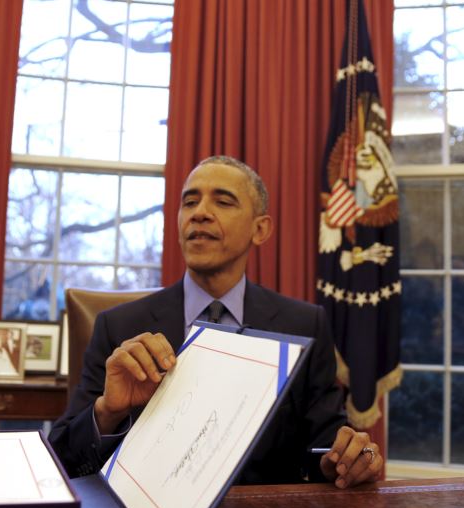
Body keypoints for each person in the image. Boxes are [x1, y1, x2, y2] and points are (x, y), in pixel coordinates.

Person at [49, 156, 383, 488]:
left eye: (223, 202)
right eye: (189, 202)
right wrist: (108, 413)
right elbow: (64, 460)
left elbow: (323, 447)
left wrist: (346, 458)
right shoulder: (118, 327)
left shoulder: (304, 325)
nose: (200, 212)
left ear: (260, 229)